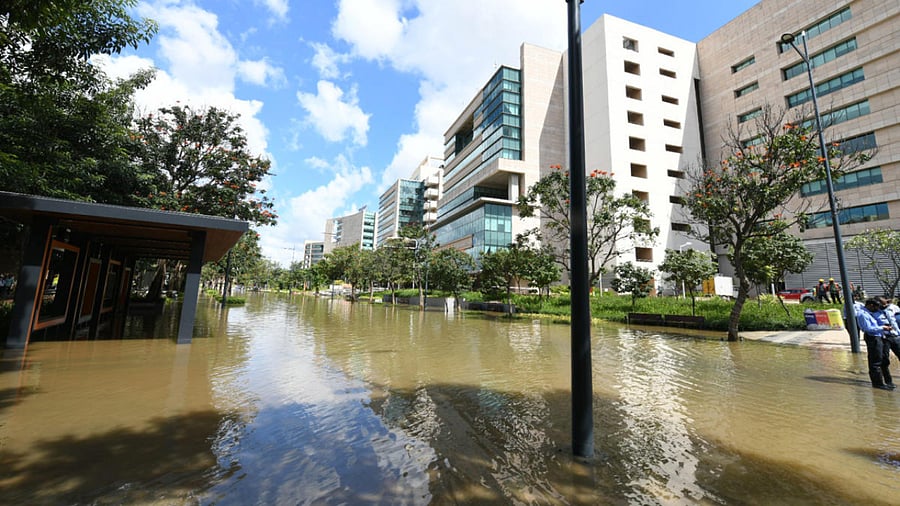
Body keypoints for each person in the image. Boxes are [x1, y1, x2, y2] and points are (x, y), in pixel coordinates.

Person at [856, 298, 895, 390]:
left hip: (878, 337)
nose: (877, 310)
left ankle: (884, 382)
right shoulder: (862, 314)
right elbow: (867, 329)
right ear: (871, 305)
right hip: (872, 338)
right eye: (876, 307)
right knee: (875, 361)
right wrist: (882, 328)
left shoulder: (869, 313)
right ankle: (878, 384)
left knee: (882, 359)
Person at [877, 296, 900, 362]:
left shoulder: (893, 308)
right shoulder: (875, 312)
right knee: (884, 358)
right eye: (882, 305)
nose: (885, 306)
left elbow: (896, 319)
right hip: (884, 337)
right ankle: (884, 372)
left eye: (886, 304)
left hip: (895, 335)